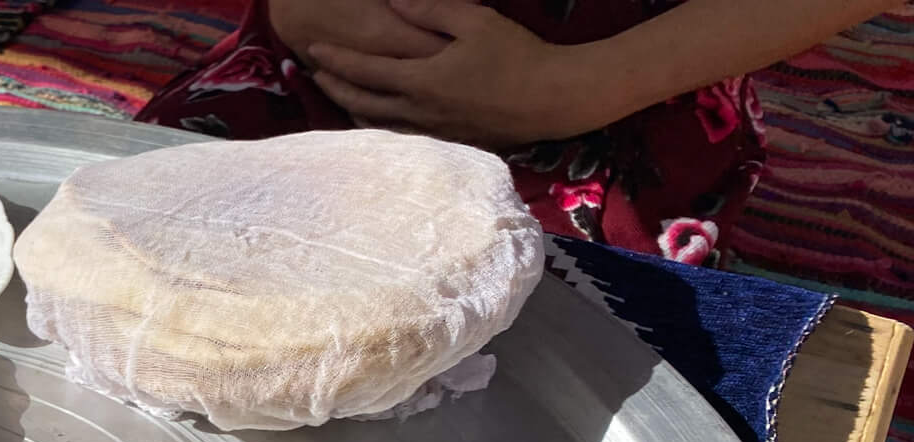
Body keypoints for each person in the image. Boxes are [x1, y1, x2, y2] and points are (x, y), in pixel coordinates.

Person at [137, 0, 888, 263]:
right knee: (138, 236)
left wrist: (579, 87)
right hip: (314, 70)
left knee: (549, 360)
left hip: (619, 103)